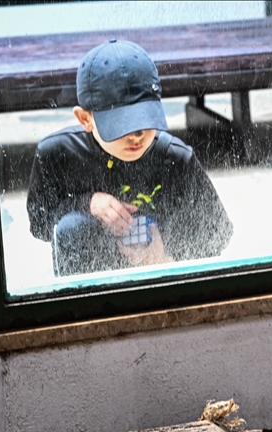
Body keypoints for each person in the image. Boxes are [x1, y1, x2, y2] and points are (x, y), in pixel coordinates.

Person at [27, 39, 233, 276]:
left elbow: (217, 234)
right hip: (93, 275)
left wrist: (165, 263)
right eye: (121, 125)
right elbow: (39, 225)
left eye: (145, 120)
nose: (137, 136)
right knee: (71, 227)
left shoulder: (176, 158)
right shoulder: (57, 154)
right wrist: (87, 203)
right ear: (85, 119)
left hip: (165, 271)